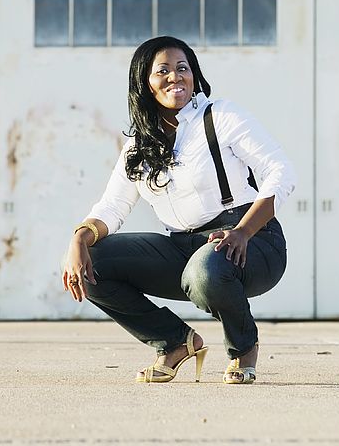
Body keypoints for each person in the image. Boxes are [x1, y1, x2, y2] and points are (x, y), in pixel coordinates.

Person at [62, 35, 296, 384]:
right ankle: (174, 342)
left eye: (183, 68)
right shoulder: (138, 145)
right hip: (183, 247)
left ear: (194, 74)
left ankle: (243, 347)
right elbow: (113, 205)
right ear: (145, 82)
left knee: (206, 268)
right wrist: (79, 239)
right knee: (93, 264)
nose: (176, 77)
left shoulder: (220, 117)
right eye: (164, 70)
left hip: (252, 240)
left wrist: (244, 231)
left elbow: (281, 171)